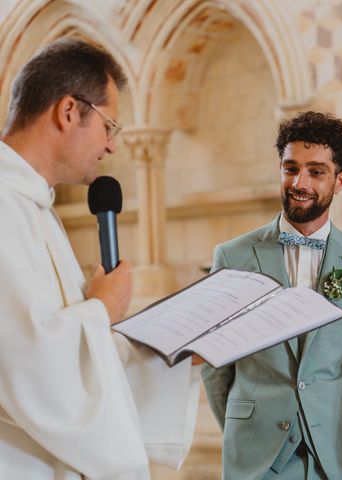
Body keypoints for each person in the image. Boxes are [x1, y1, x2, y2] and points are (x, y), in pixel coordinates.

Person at [0, 39, 201, 479]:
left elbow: (74, 356)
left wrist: (176, 354)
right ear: (69, 111)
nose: (111, 146)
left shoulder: (34, 206)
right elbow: (24, 364)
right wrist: (102, 308)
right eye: (109, 126)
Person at [201, 111, 342, 479]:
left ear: (341, 181)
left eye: (316, 171)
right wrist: (248, 424)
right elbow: (216, 364)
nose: (299, 182)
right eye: (290, 168)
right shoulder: (232, 257)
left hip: (338, 458)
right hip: (256, 457)